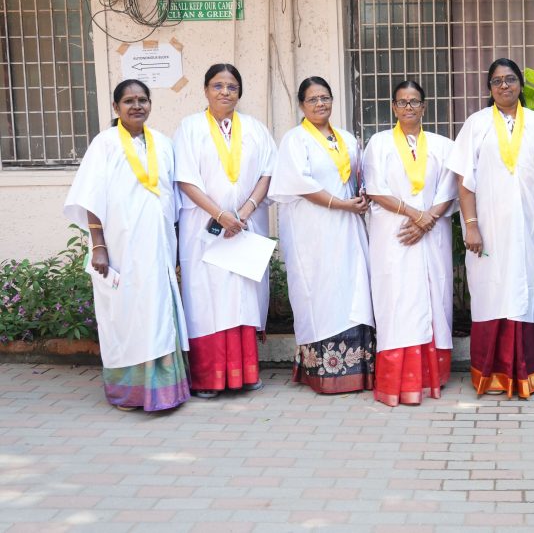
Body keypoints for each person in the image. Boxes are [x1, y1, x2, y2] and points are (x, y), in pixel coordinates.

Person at [448, 58, 534, 399]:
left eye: (511, 79)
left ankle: (526, 373)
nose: (504, 85)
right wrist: (471, 226)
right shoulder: (476, 125)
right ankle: (490, 374)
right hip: (488, 231)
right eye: (497, 81)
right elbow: (464, 182)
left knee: (528, 293)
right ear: (489, 88)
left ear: (520, 84)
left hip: (532, 230)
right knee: (490, 294)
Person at [63, 79, 189, 411]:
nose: (137, 106)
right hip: (120, 247)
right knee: (125, 315)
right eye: (129, 101)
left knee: (158, 313)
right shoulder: (104, 144)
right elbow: (90, 197)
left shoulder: (163, 143)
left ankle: (165, 391)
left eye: (142, 100)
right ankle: (129, 393)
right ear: (116, 107)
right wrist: (98, 246)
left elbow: (172, 198)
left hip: (159, 247)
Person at [174, 63, 276, 399]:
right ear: (205, 90)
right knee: (207, 300)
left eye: (232, 87)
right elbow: (185, 179)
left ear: (239, 92)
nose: (225, 92)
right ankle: (208, 379)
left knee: (243, 296)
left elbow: (267, 173)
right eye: (218, 86)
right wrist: (221, 215)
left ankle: (245, 374)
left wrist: (242, 214)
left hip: (245, 227)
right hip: (204, 229)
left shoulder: (256, 129)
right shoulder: (189, 128)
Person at [269, 77, 376, 394]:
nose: (320, 104)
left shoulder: (346, 138)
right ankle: (323, 374)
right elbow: (300, 185)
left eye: (325, 97)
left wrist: (361, 196)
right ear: (301, 105)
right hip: (312, 232)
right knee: (320, 292)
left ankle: (358, 371)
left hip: (348, 228)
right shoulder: (295, 140)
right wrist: (341, 204)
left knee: (352, 288)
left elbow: (358, 177)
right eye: (313, 99)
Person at [363, 80, 458, 406]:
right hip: (394, 236)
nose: (408, 107)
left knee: (433, 297)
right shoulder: (378, 144)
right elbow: (375, 189)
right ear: (393, 107)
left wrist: (428, 219)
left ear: (424, 107)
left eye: (414, 101)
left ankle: (431, 379)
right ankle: (397, 381)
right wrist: (415, 214)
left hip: (432, 235)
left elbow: (449, 190)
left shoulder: (443, 146)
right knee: (397, 300)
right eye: (402, 102)